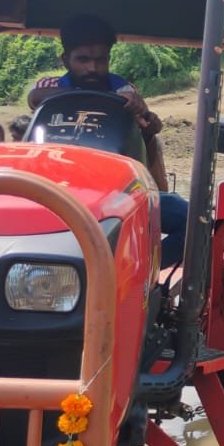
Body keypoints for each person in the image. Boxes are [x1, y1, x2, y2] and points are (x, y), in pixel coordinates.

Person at [28, 14, 186, 269]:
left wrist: (146, 118)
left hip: (116, 190)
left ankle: (141, 270)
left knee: (189, 220)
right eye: (83, 60)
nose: (92, 68)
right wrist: (89, 96)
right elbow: (35, 97)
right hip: (58, 185)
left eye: (100, 60)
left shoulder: (124, 89)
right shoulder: (51, 86)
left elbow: (143, 126)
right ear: (66, 59)